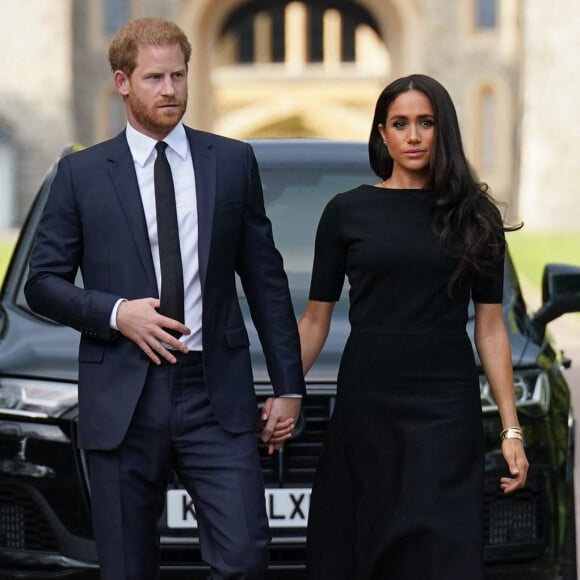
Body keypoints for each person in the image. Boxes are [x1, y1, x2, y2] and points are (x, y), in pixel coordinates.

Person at [24, 17, 303, 580]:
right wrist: (115, 313)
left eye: (178, 75)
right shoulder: (79, 175)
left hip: (214, 394)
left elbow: (266, 281)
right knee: (127, 568)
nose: (170, 89)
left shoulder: (231, 162)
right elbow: (42, 283)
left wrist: (289, 386)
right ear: (123, 82)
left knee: (245, 557)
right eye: (155, 78)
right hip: (123, 394)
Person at [298, 74, 529, 580]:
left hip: (446, 410)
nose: (414, 135)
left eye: (426, 122)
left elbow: (490, 330)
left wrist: (511, 429)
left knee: (441, 551)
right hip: (368, 405)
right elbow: (315, 320)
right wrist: (283, 390)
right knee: (364, 545)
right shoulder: (346, 213)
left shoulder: (476, 217)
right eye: (400, 124)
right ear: (382, 134)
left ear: (442, 129)